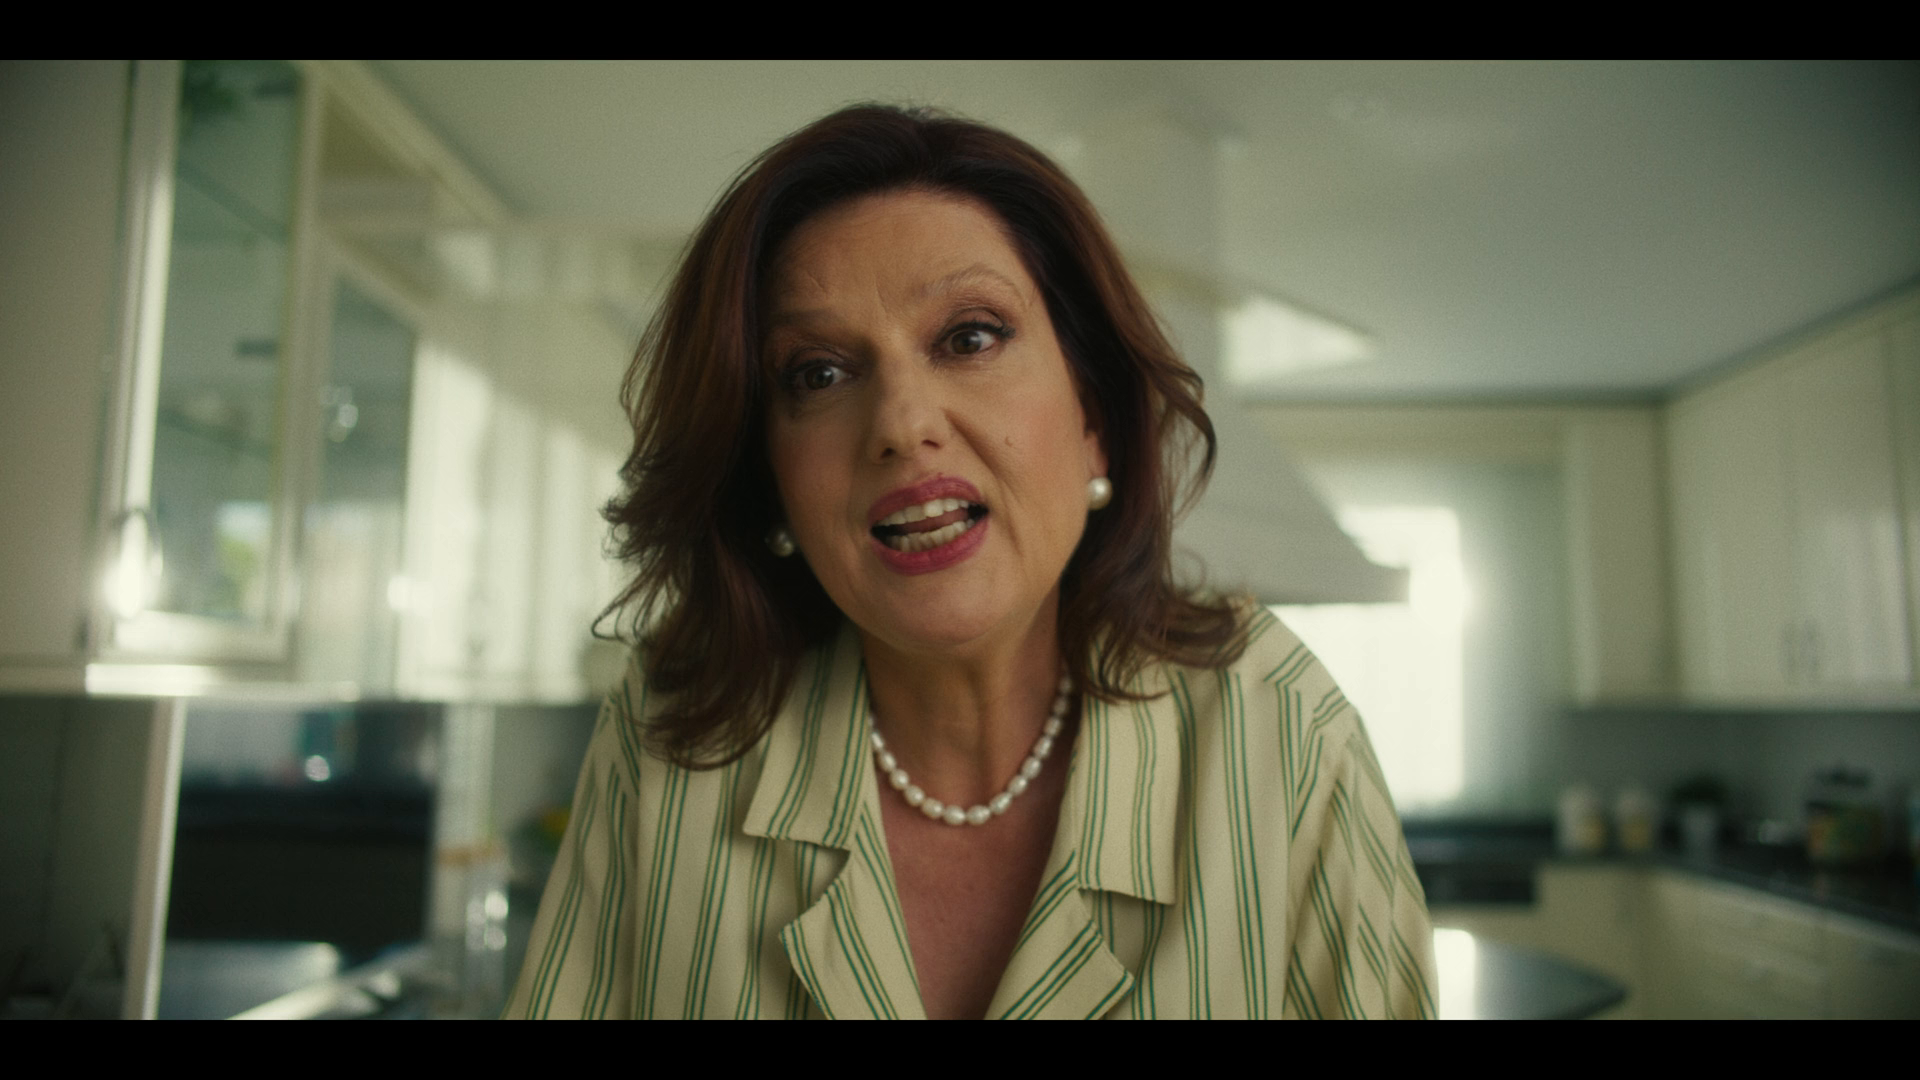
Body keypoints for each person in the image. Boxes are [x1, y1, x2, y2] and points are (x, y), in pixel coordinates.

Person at [505, 105, 1436, 1020]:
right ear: (769, 478)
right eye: (818, 373)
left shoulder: (1282, 733)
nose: (903, 423)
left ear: (1094, 419)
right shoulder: (668, 734)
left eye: (970, 337)